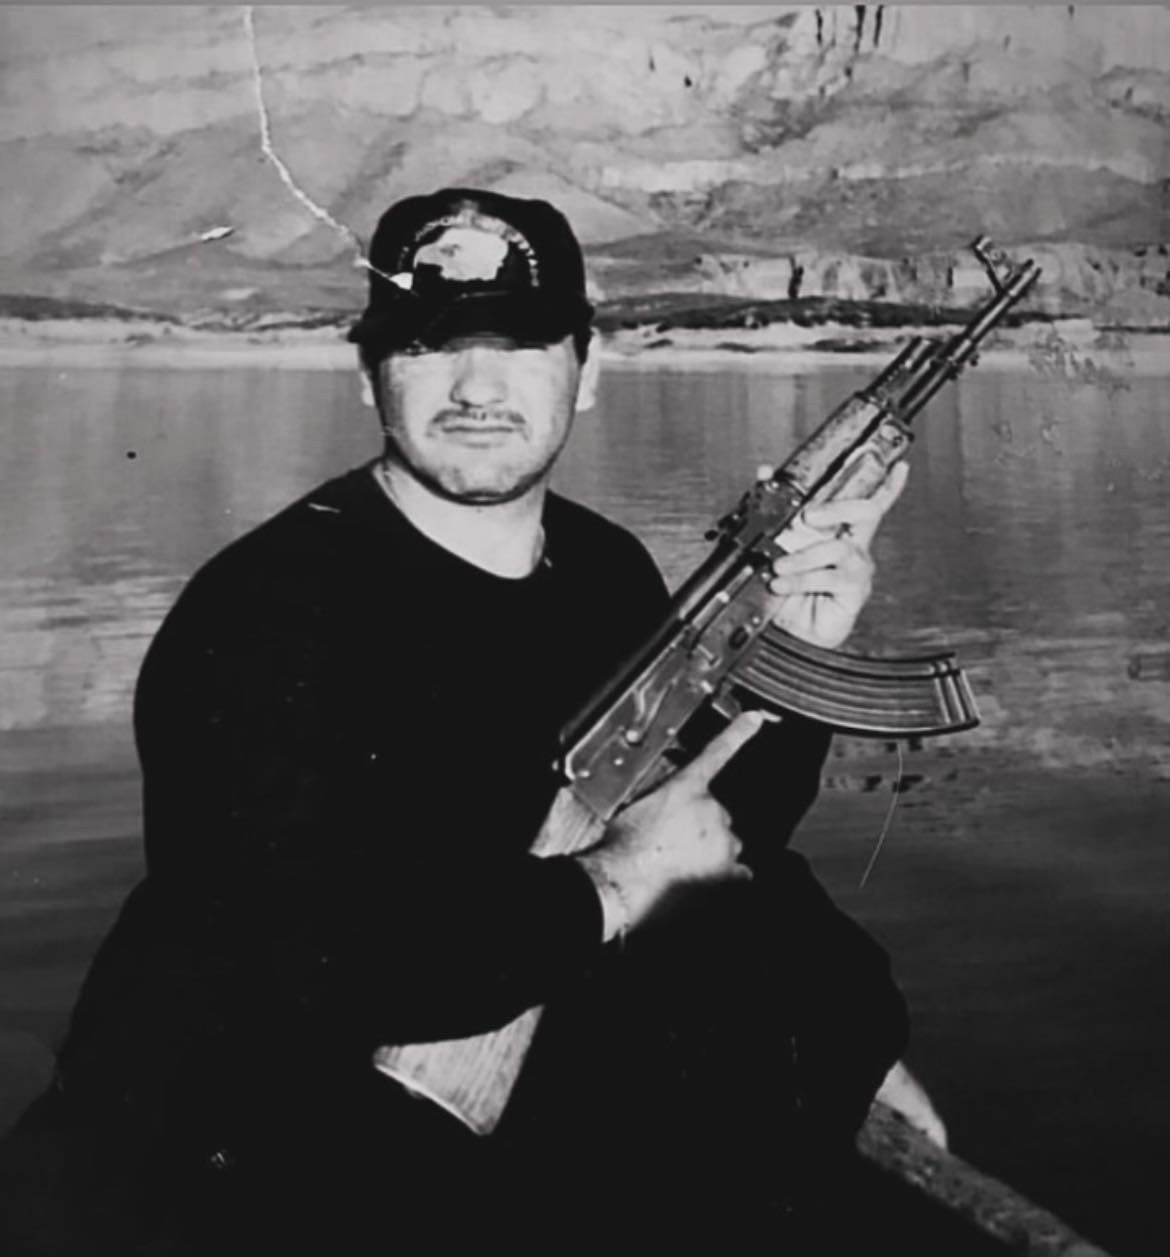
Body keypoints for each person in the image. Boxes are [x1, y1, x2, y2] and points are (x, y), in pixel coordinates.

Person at [0, 188, 934, 1254]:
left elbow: (708, 833)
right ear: (369, 376)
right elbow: (299, 958)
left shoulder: (604, 569)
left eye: (524, 343)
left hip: (499, 1133)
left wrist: (794, 657)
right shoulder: (261, 614)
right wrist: (611, 884)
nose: (479, 386)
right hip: (268, 1167)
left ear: (588, 371)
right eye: (431, 344)